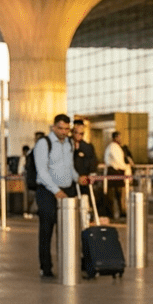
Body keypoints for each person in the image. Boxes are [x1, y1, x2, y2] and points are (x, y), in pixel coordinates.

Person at [34, 114, 87, 278]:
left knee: (69, 230)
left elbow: (69, 167)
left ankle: (69, 264)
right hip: (48, 192)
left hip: (67, 191)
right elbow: (42, 171)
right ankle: (46, 267)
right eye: (61, 128)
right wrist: (56, 190)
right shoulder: (44, 144)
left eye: (66, 129)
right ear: (54, 127)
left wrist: (77, 177)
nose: (64, 132)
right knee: (47, 230)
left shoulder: (69, 143)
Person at [72, 119, 105, 222]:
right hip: (70, 182)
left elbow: (93, 162)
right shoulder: (66, 145)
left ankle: (89, 217)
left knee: (88, 200)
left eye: (81, 133)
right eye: (76, 132)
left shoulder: (87, 147)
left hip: (84, 181)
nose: (79, 135)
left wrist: (91, 176)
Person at [104, 131, 130, 219]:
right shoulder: (112, 147)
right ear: (115, 138)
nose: (120, 139)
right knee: (112, 194)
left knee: (119, 194)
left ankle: (121, 212)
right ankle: (111, 213)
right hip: (114, 172)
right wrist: (126, 167)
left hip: (118, 172)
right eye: (119, 137)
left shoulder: (117, 147)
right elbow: (118, 161)